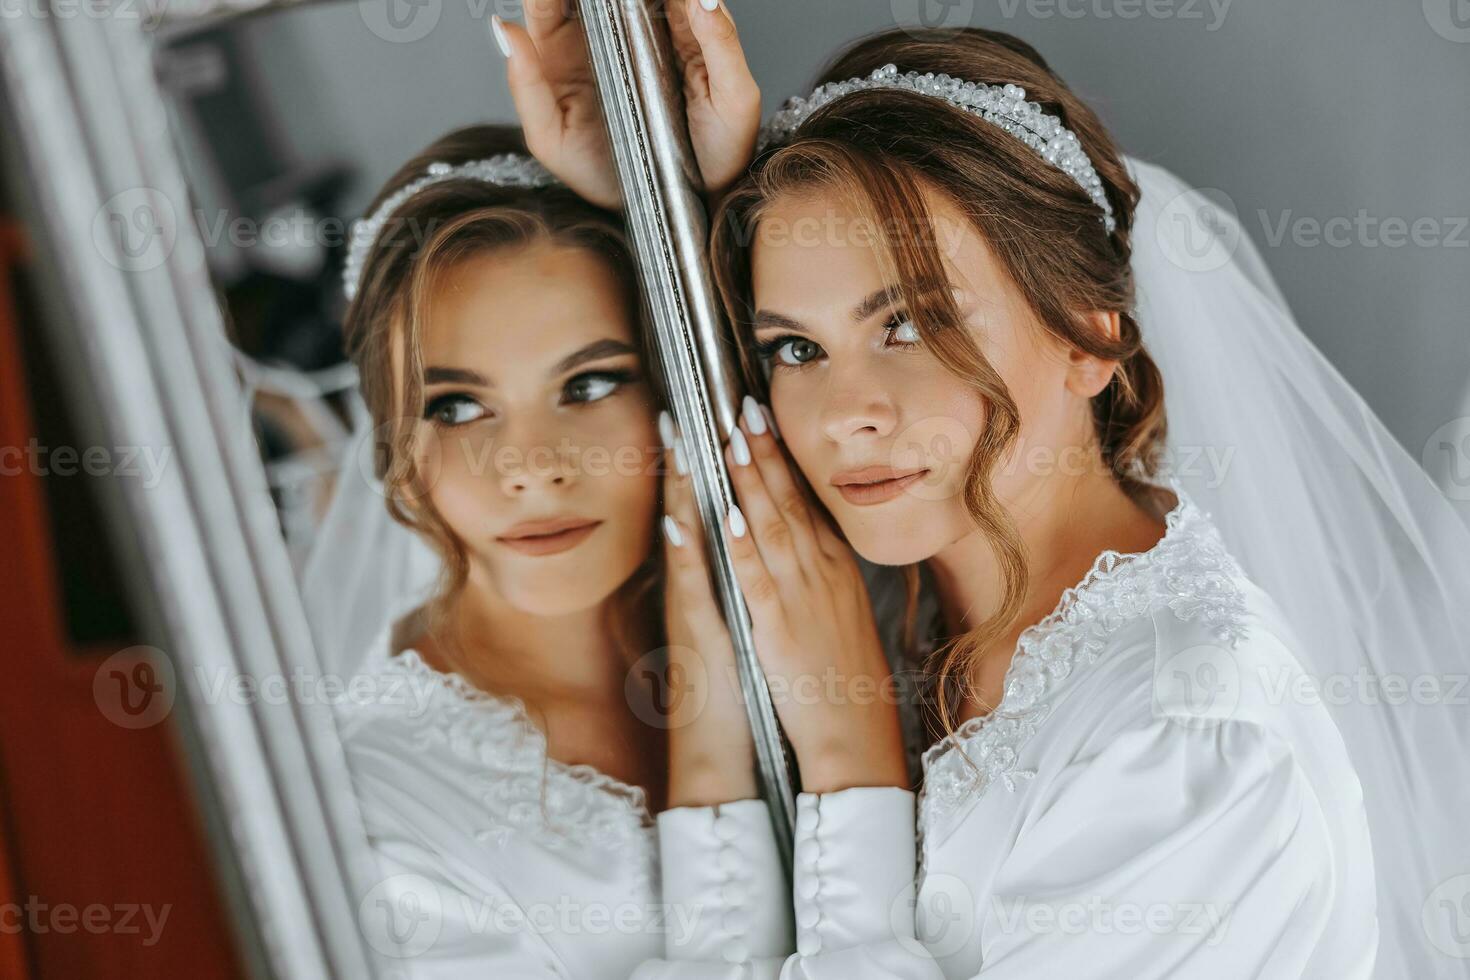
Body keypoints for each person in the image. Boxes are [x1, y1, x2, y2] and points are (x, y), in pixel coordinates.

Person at [304, 120, 792, 978]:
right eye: (455, 406)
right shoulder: (377, 805)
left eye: (591, 383)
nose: (530, 470)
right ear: (395, 451)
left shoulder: (842, 628)